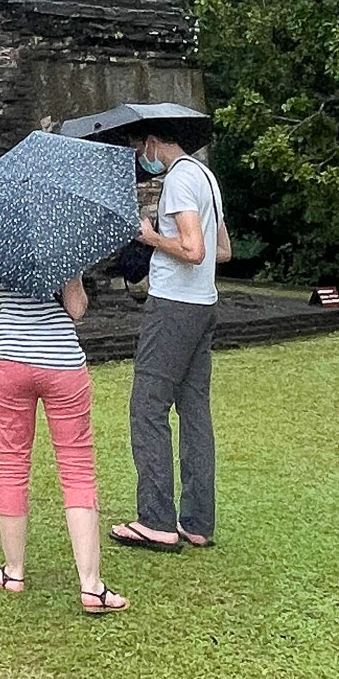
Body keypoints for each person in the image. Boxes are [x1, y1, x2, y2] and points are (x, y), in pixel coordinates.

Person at [0, 271, 128, 615]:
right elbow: (76, 309)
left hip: (10, 363)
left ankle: (13, 572)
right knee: (77, 469)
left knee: (12, 465)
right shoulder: (62, 236)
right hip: (63, 365)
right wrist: (73, 277)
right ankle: (91, 585)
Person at [110, 123, 231, 554]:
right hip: (204, 304)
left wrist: (151, 237)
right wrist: (173, 243)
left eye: (137, 147)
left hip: (174, 307)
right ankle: (198, 521)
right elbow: (223, 250)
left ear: (152, 143)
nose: (139, 155)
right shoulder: (205, 176)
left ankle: (156, 520)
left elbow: (196, 249)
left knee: (147, 408)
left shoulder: (178, 178)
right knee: (194, 410)